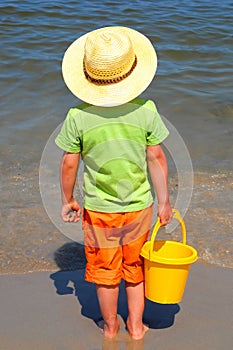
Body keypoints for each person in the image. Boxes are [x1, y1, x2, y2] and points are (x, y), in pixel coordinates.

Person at [55, 26, 173, 340]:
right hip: (139, 208)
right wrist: (164, 202)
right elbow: (156, 157)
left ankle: (110, 327)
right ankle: (136, 326)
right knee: (135, 270)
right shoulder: (146, 111)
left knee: (106, 275)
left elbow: (69, 163)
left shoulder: (77, 116)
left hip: (99, 211)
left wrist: (67, 199)